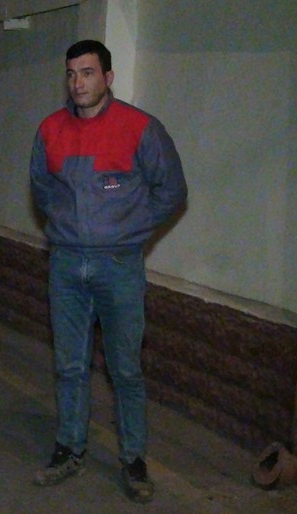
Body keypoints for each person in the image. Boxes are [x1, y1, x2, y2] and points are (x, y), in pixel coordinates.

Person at [29, 39, 187, 503]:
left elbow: (172, 191)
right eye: (71, 73)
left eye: (88, 72)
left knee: (126, 369)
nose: (78, 82)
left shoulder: (140, 129)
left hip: (119, 267)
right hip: (65, 265)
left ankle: (134, 460)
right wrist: (67, 228)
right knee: (69, 365)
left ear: (108, 77)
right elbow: (42, 188)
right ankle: (69, 449)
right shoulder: (50, 130)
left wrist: (130, 231)